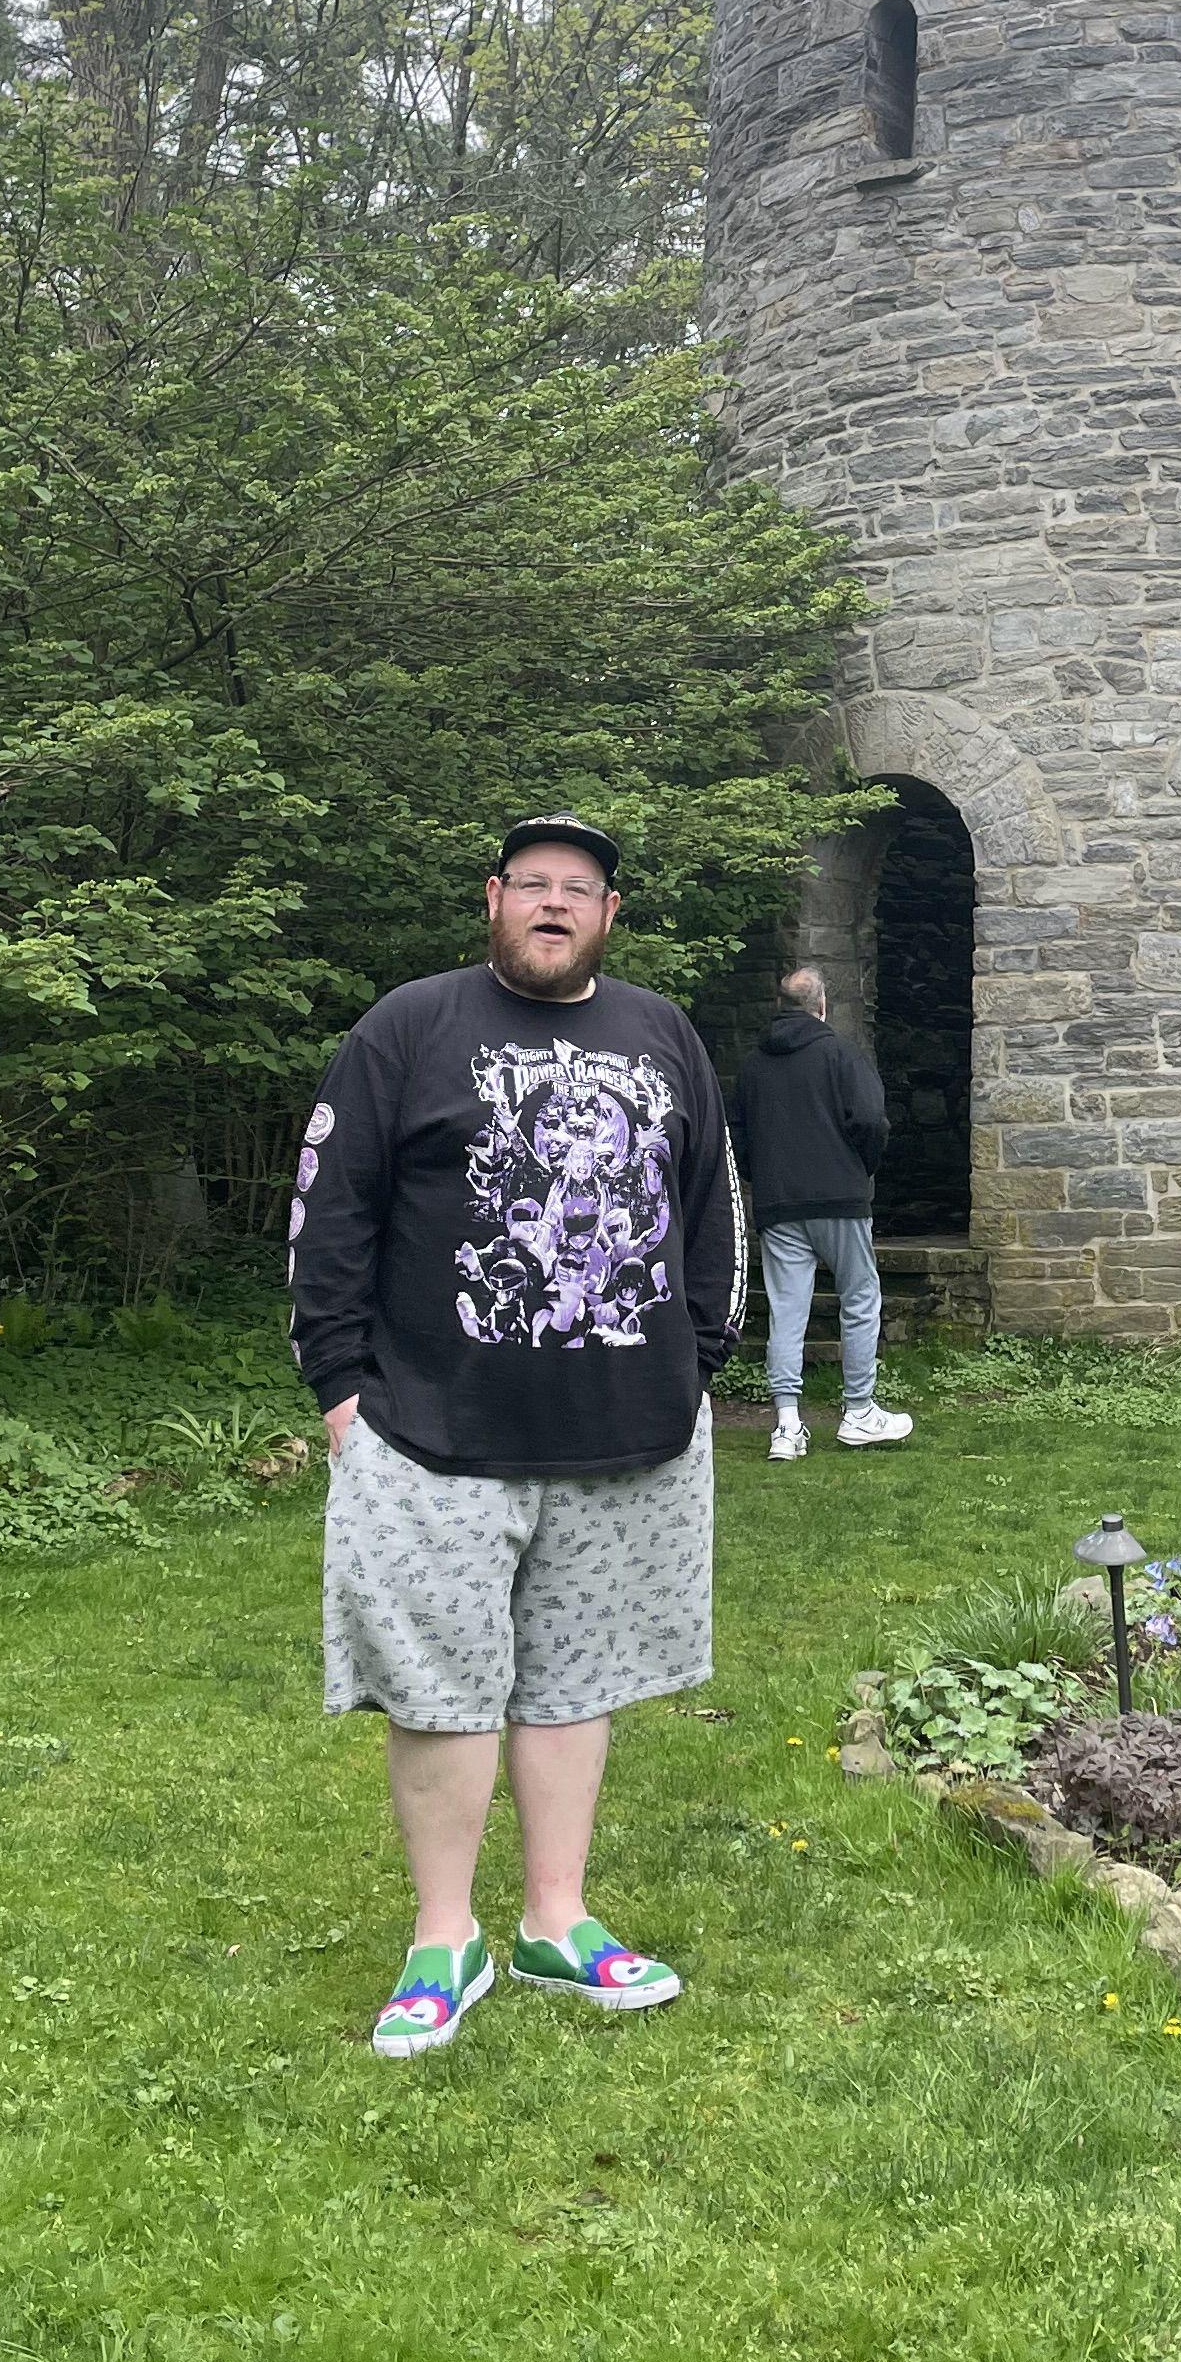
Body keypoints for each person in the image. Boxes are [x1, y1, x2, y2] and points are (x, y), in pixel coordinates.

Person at [287, 814, 737, 2059]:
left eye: (577, 889)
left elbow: (712, 1206)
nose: (553, 903)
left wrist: (700, 1365)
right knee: (438, 1691)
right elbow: (333, 1214)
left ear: (608, 916)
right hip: (431, 1429)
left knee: (577, 1682)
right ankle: (445, 1939)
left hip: (628, 1435)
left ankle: (554, 1918)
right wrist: (342, 1394)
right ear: (492, 902)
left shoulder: (662, 1035)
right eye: (530, 885)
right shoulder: (410, 1029)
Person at [727, 963, 913, 1460]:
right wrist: (860, 1168)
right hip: (840, 1199)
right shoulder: (841, 1054)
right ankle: (858, 1412)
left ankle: (786, 1425)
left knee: (787, 1311)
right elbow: (872, 1120)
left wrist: (761, 1179)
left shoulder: (753, 1066)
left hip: (778, 1203)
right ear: (822, 1005)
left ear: (782, 1006)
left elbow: (738, 1135)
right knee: (859, 1298)